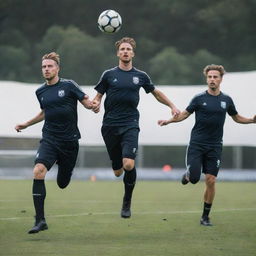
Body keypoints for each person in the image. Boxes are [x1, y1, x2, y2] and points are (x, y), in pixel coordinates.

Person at [92, 37, 180, 218]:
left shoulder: (141, 76)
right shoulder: (108, 74)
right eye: (122, 49)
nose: (125, 51)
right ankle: (117, 167)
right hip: (109, 126)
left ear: (133, 53)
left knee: (129, 163)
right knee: (118, 171)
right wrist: (96, 103)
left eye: (128, 49)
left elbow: (156, 93)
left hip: (130, 124)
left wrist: (172, 106)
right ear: (118, 53)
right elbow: (98, 95)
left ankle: (127, 202)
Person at [158, 64, 256, 226]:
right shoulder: (199, 99)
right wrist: (168, 121)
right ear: (206, 78)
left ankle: (205, 216)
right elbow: (183, 115)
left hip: (215, 146)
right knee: (195, 179)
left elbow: (237, 118)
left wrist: (252, 120)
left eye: (215, 77)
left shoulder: (226, 100)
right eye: (209, 77)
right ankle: (189, 175)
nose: (212, 79)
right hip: (197, 144)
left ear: (221, 79)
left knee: (210, 180)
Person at [15, 52, 94, 234]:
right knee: (38, 171)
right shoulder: (40, 91)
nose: (47, 69)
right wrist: (26, 124)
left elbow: (86, 101)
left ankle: (65, 169)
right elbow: (44, 112)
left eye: (50, 66)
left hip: (69, 142)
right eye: (44, 67)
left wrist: (92, 105)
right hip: (49, 139)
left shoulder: (68, 85)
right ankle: (40, 220)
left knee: (62, 183)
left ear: (57, 68)